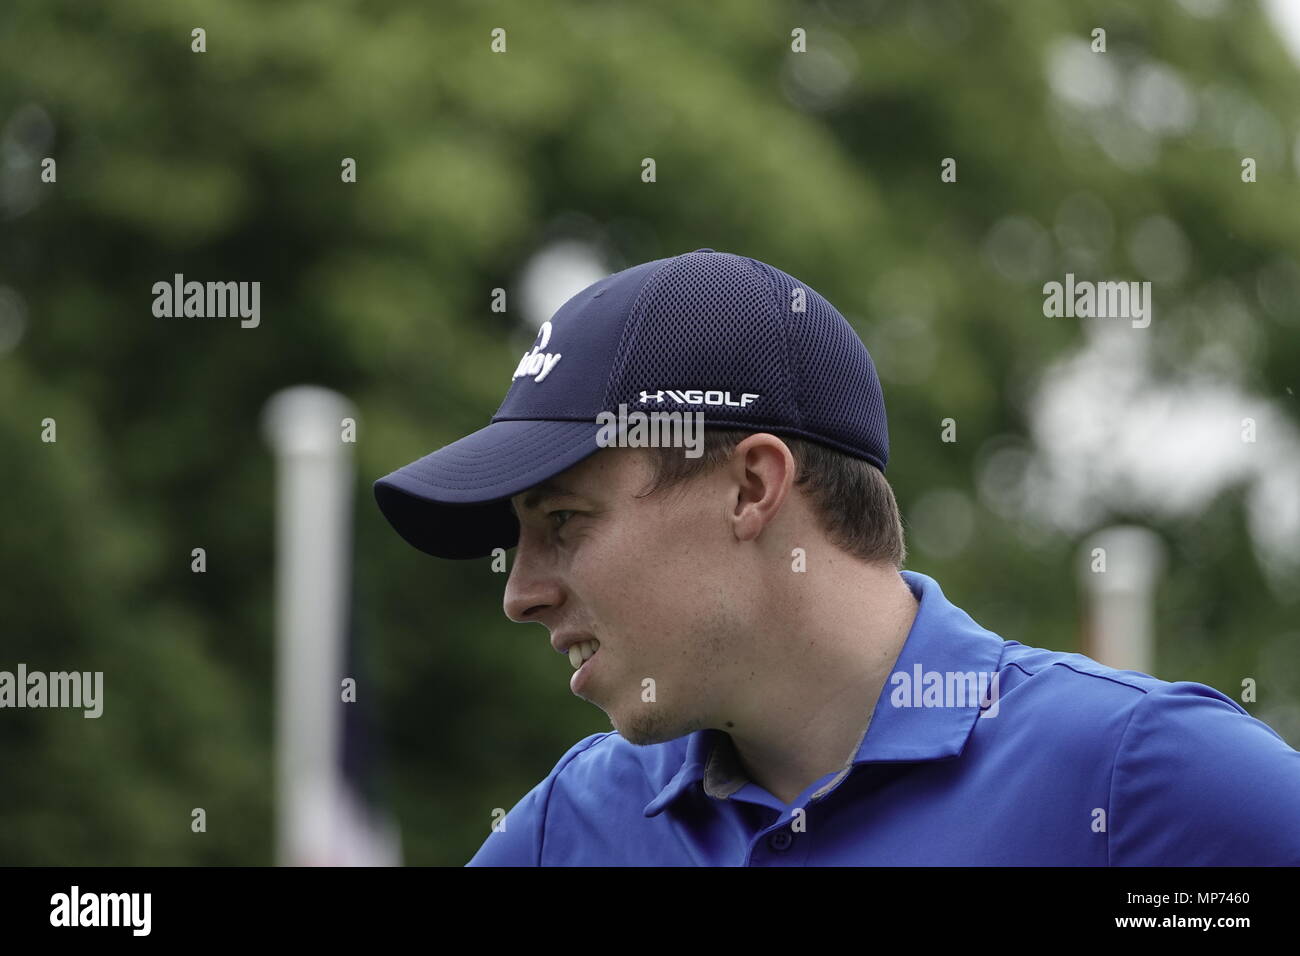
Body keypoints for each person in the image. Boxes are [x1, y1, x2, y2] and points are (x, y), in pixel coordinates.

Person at [374, 248, 1300, 865]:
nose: (521, 594)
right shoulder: (567, 832)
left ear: (751, 488)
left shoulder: (1147, 783)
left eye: (564, 522)